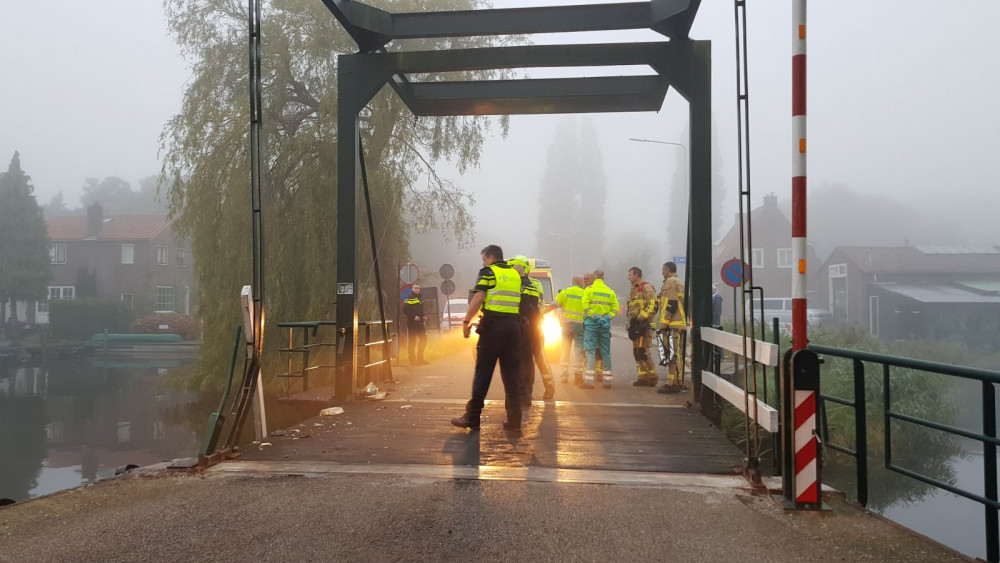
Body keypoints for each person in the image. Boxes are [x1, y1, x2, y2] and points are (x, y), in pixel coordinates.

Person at [451, 245, 523, 433]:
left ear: (491, 258)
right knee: (512, 377)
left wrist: (467, 321)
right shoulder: (516, 275)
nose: (483, 262)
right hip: (514, 330)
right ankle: (515, 421)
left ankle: (473, 417)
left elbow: (479, 296)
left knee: (483, 374)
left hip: (493, 329)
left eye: (484, 259)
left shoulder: (488, 272)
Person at [509, 255, 556, 404]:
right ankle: (528, 391)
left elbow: (537, 304)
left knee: (537, 358)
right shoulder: (528, 283)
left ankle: (547, 387)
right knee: (529, 359)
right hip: (529, 326)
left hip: (533, 326)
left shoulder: (533, 284)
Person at [544, 275, 585, 385]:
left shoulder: (565, 292)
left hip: (566, 325)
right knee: (578, 351)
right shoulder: (584, 293)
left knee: (565, 350)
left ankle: (564, 376)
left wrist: (541, 313)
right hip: (579, 326)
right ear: (579, 282)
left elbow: (553, 305)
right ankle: (578, 375)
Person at [581, 269, 619, 389]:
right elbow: (616, 309)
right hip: (604, 327)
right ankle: (607, 381)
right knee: (605, 353)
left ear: (595, 277)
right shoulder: (610, 292)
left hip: (591, 326)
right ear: (603, 278)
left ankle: (589, 381)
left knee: (590, 352)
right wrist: (607, 318)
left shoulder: (589, 290)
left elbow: (585, 306)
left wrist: (594, 317)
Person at [657, 261, 687, 394]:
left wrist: (663, 324)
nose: (662, 272)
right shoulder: (679, 282)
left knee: (672, 353)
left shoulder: (670, 282)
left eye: (663, 270)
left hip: (672, 324)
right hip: (678, 323)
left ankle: (672, 384)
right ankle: (677, 381)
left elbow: (671, 304)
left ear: (668, 270)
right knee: (677, 353)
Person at [626, 267, 659, 387]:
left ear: (636, 275)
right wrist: (629, 324)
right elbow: (631, 310)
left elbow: (653, 306)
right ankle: (642, 377)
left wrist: (640, 318)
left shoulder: (646, 287)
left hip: (644, 326)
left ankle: (653, 376)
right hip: (635, 326)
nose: (628, 277)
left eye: (630, 275)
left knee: (644, 351)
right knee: (637, 351)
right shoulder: (634, 290)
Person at [403, 284, 428, 365]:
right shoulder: (409, 298)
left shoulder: (420, 298)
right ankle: (412, 360)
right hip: (412, 323)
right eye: (415, 288)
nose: (417, 289)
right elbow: (404, 310)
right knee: (412, 341)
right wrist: (413, 316)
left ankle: (420, 358)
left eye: (418, 288)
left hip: (420, 323)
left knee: (424, 339)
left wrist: (424, 315)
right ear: (412, 289)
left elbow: (421, 309)